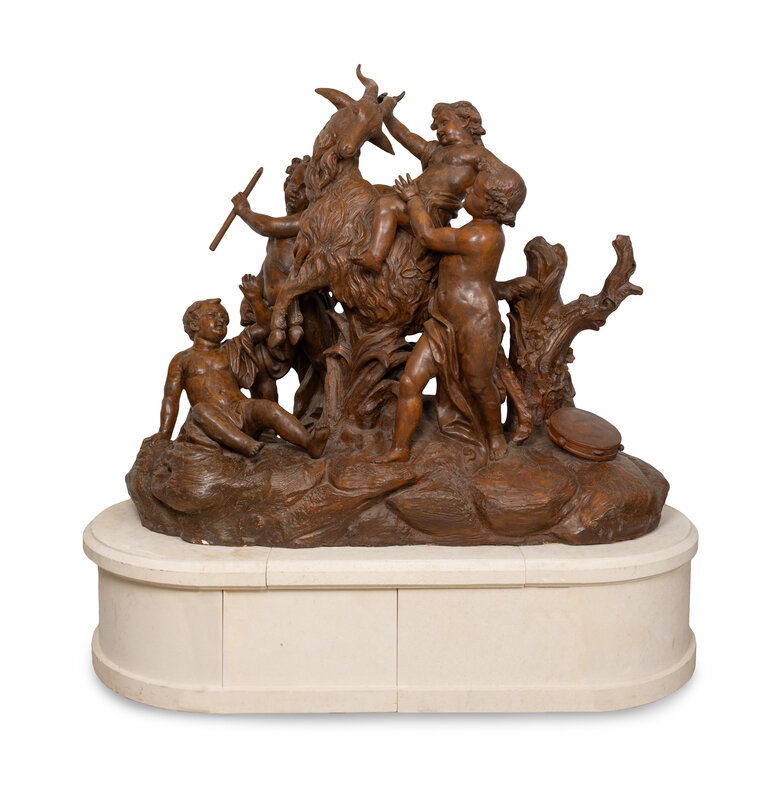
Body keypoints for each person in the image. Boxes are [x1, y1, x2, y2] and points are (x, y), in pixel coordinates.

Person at [376, 163, 528, 462]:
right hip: (442, 322)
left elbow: (428, 237)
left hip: (475, 324)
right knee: (410, 381)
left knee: (479, 384)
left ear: (491, 206)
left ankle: (495, 435)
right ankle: (399, 449)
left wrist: (413, 199)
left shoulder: (482, 236)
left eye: (476, 191)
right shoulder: (473, 229)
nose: (468, 190)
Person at [145, 287, 328, 459]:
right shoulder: (182, 359)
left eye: (224, 319)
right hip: (211, 421)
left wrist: (255, 299)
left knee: (269, 408)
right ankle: (244, 444)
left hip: (241, 410)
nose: (220, 320)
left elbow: (264, 327)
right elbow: (170, 398)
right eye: (212, 315)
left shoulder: (232, 348)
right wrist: (164, 432)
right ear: (194, 324)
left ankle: (309, 442)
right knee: (199, 410)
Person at [355, 97, 512, 271]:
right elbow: (406, 136)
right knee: (375, 190)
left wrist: (501, 206)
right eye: (437, 127)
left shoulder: (478, 154)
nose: (440, 130)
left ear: (465, 121)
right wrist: (388, 116)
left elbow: (505, 177)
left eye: (444, 123)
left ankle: (374, 257)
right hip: (410, 197)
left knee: (387, 204)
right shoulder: (436, 151)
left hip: (430, 212)